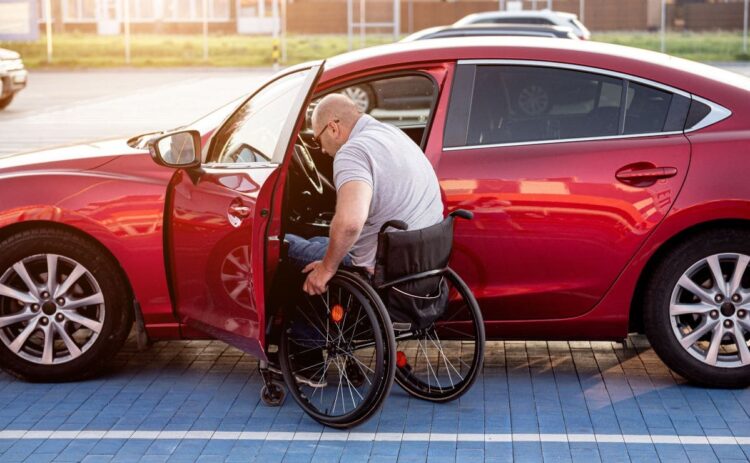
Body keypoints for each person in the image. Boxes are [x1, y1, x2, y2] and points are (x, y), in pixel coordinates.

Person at [286, 93, 444, 296]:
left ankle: (303, 328)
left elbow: (350, 223)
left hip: (380, 266)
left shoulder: (352, 152)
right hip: (420, 258)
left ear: (333, 128)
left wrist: (326, 269)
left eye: (318, 140)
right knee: (318, 240)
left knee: (285, 245)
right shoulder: (392, 133)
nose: (323, 150)